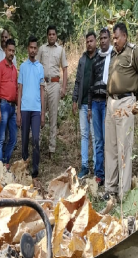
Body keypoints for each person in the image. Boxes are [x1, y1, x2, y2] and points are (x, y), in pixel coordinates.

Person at [104, 22, 138, 200]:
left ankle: (123, 194)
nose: (114, 41)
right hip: (111, 103)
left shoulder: (133, 52)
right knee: (111, 147)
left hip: (126, 102)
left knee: (124, 148)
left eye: (116, 38)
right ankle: (110, 189)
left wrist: (135, 95)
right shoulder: (113, 54)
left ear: (124, 36)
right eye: (113, 38)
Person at [37, 25, 68, 159]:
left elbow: (65, 69)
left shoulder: (60, 50)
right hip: (43, 84)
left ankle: (52, 149)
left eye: (53, 34)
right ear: (47, 36)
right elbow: (36, 66)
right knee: (39, 115)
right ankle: (36, 146)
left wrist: (63, 88)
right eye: (49, 34)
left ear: (56, 36)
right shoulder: (42, 49)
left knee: (53, 117)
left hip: (55, 84)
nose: (51, 36)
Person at [17, 36, 46, 179]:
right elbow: (20, 90)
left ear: (37, 49)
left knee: (35, 138)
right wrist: (18, 112)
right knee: (24, 139)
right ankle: (24, 164)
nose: (33, 50)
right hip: (24, 108)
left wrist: (42, 113)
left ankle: (35, 169)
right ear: (28, 48)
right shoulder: (22, 67)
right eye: (31, 47)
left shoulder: (40, 68)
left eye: (35, 48)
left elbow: (42, 91)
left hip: (36, 109)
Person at [87, 27, 113, 186]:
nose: (103, 41)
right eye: (101, 38)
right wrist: (89, 107)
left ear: (109, 39)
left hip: (107, 103)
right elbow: (90, 85)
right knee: (98, 141)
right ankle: (99, 175)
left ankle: (110, 175)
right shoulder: (96, 59)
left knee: (108, 140)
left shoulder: (113, 57)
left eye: (105, 38)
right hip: (95, 105)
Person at [72, 31, 98, 179]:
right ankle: (84, 166)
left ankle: (96, 165)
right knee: (84, 135)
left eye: (91, 41)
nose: (89, 44)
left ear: (96, 42)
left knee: (94, 135)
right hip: (82, 103)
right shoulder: (82, 59)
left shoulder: (100, 58)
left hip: (95, 103)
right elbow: (77, 81)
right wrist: (74, 100)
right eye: (87, 41)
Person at [0, 39, 18, 166]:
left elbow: (16, 90)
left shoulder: (14, 69)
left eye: (13, 51)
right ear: (5, 51)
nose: (11, 53)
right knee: (1, 138)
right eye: (9, 50)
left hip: (12, 107)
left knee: (13, 138)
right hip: (3, 106)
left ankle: (6, 162)